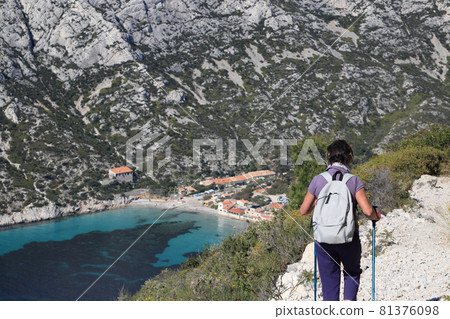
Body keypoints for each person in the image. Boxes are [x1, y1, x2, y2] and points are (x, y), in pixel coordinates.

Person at [299, 140, 381, 301]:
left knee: (329, 280)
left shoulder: (318, 180)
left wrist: (318, 200)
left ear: (328, 156)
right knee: (352, 273)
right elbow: (367, 211)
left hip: (324, 239)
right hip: (348, 237)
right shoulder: (354, 181)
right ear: (349, 158)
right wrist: (375, 216)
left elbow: (303, 210)